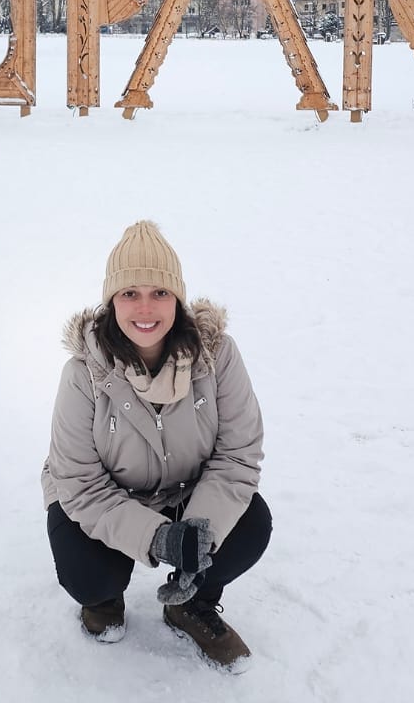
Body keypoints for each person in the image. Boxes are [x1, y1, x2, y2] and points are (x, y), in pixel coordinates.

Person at [41, 220, 270, 672]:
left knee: (251, 526)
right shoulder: (81, 374)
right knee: (88, 575)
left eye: (159, 293)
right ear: (112, 302)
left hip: (187, 492)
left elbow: (238, 456)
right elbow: (79, 484)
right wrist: (157, 538)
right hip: (105, 499)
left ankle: (192, 603)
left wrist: (196, 537)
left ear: (177, 300)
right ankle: (104, 602)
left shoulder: (217, 357)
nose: (145, 308)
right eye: (130, 294)